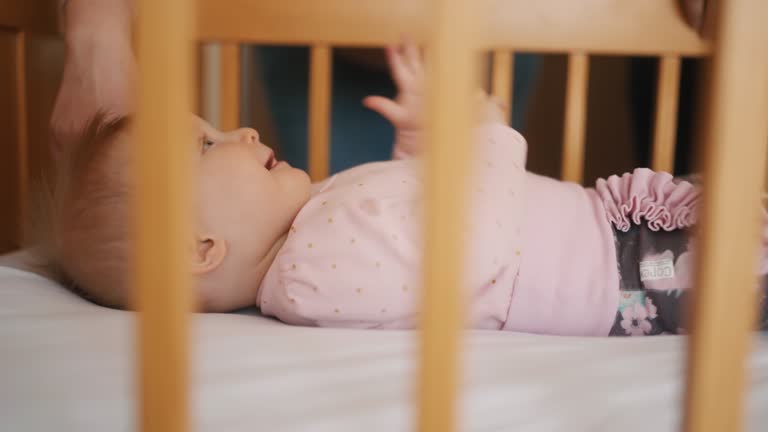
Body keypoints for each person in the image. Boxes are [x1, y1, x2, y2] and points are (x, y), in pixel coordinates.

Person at [49, 0, 767, 336]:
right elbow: (466, 255)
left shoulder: (308, 232)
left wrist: (422, 151)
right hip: (625, 269)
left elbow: (413, 231)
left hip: (616, 235)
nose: (240, 128)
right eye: (207, 145)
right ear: (198, 250)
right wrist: (484, 138)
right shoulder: (306, 275)